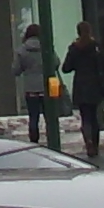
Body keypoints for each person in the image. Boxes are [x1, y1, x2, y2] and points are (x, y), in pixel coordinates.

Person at [63, 21, 104, 161]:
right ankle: (95, 145)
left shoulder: (74, 48)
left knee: (85, 117)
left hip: (80, 85)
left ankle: (88, 141)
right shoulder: (96, 47)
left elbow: (66, 68)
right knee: (94, 116)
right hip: (95, 84)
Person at [16, 20, 62, 149]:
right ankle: (52, 140)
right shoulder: (47, 47)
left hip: (30, 88)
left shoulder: (22, 50)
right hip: (47, 87)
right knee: (50, 116)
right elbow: (56, 63)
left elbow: (16, 70)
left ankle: (34, 141)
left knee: (33, 116)